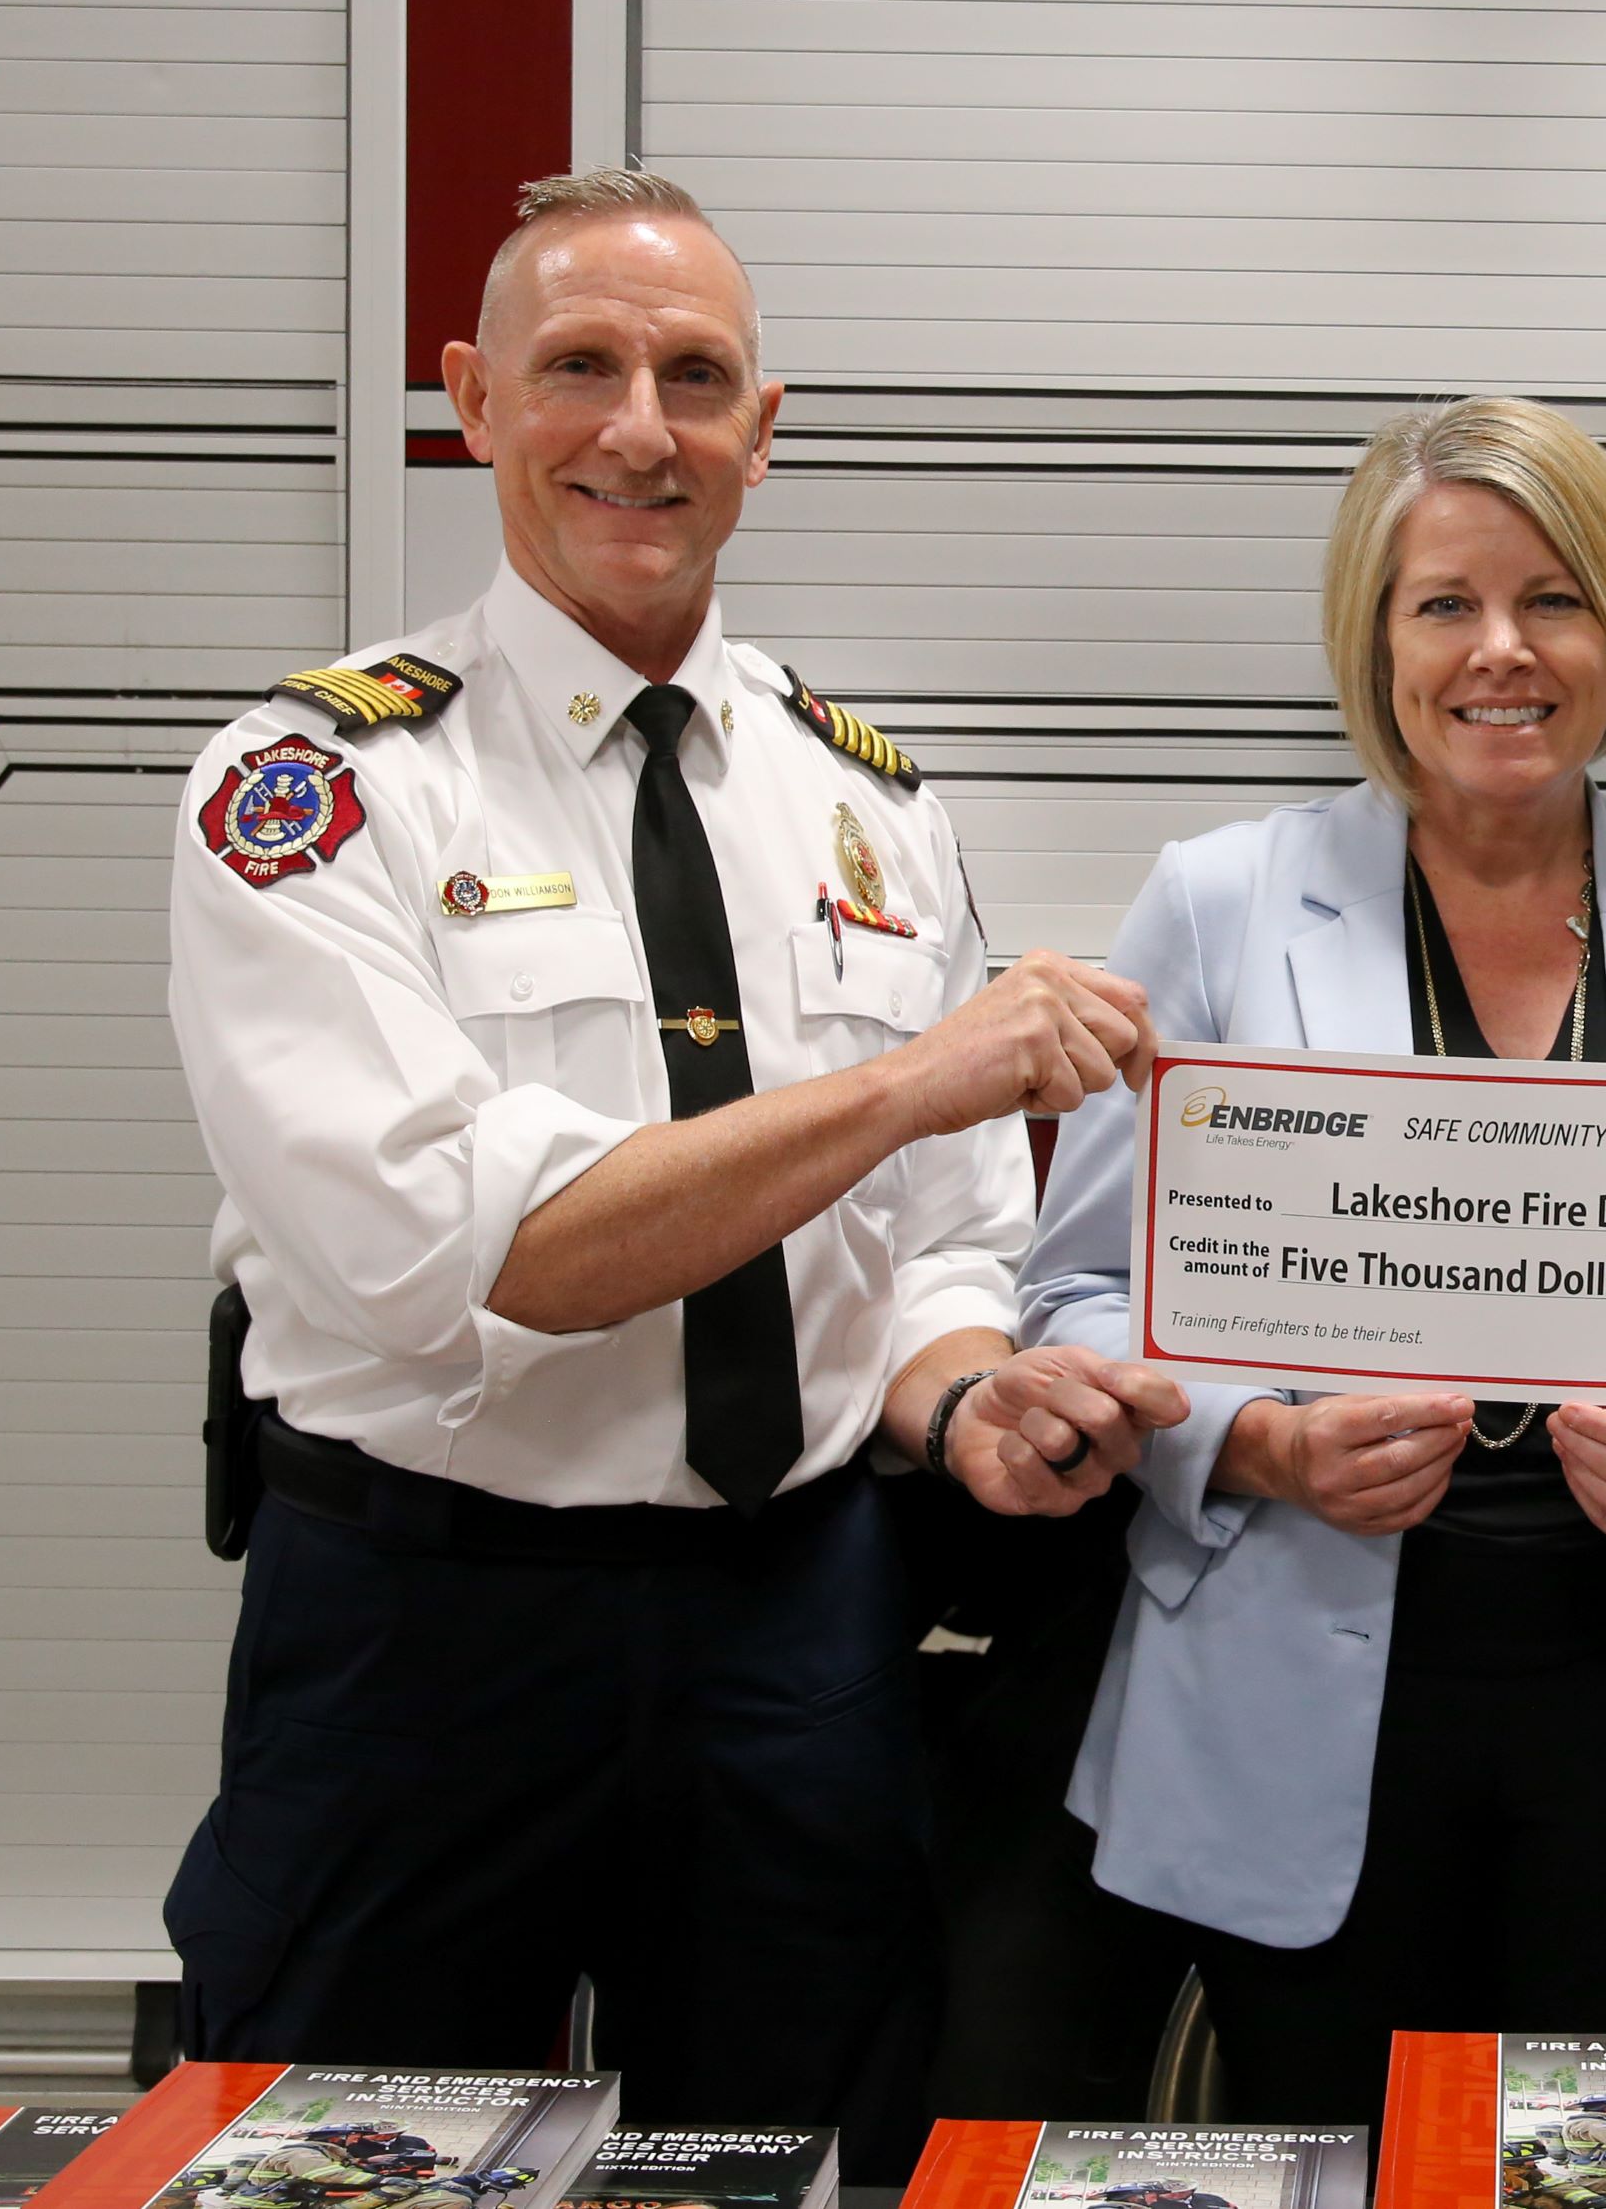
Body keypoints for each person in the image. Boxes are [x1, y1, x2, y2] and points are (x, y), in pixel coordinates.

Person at [161, 169, 1184, 2169]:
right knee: (345, 2154)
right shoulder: (318, 794)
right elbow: (507, 1250)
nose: (642, 426)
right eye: (582, 368)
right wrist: (914, 1085)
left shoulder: (870, 804)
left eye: (695, 376)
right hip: (422, 1634)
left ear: (761, 430)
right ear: (471, 398)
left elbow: (945, 1249)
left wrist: (978, 1401)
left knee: (801, 2154)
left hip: (796, 1628)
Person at [1018, 396, 1606, 2118]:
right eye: (1444, 605)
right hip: (1298, 1676)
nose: (1502, 652)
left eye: (1553, 599)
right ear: (1375, 636)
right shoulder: (1216, 901)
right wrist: (1254, 1436)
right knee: (1321, 2149)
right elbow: (1077, 1295)